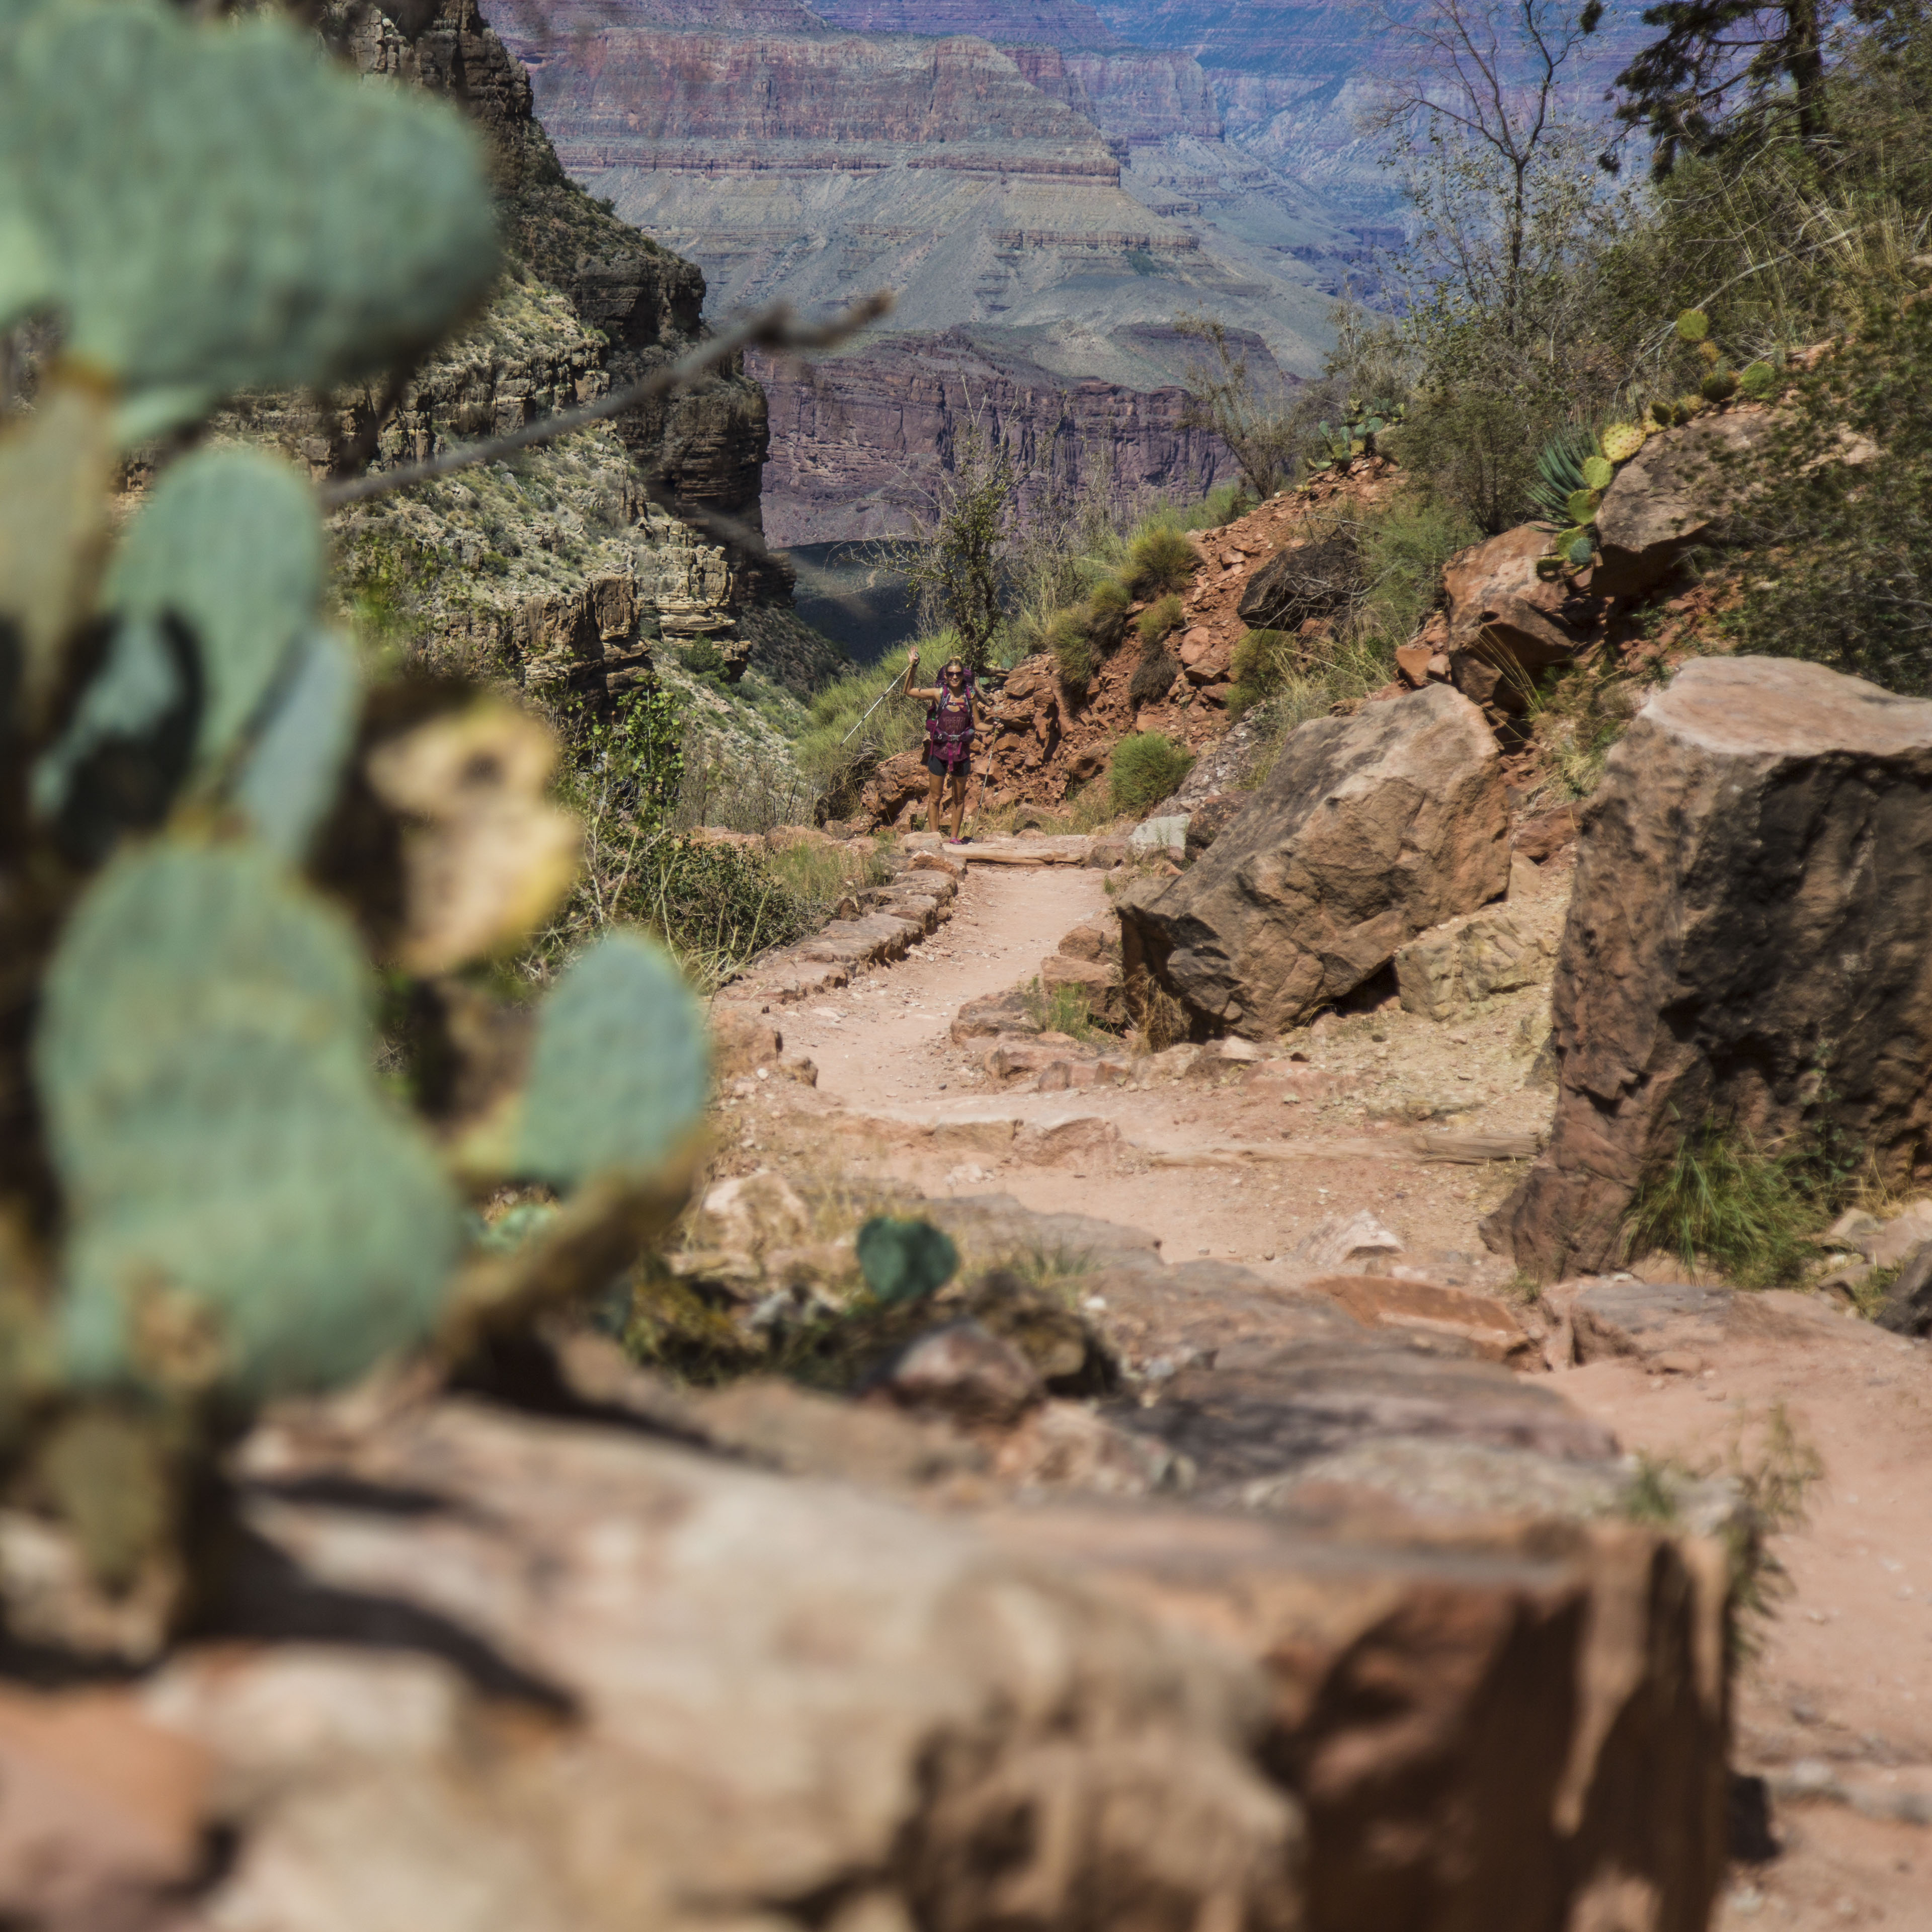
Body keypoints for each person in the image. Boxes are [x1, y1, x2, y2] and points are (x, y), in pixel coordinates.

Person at [904, 647, 983, 843]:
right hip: (938, 752)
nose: (954, 677)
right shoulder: (939, 694)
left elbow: (979, 724)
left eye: (958, 674)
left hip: (961, 754)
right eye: (950, 674)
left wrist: (997, 726)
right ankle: (935, 838)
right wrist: (912, 667)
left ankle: (954, 839)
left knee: (958, 799)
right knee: (935, 798)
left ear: (963, 676)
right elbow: (909, 691)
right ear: (946, 677)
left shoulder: (970, 696)